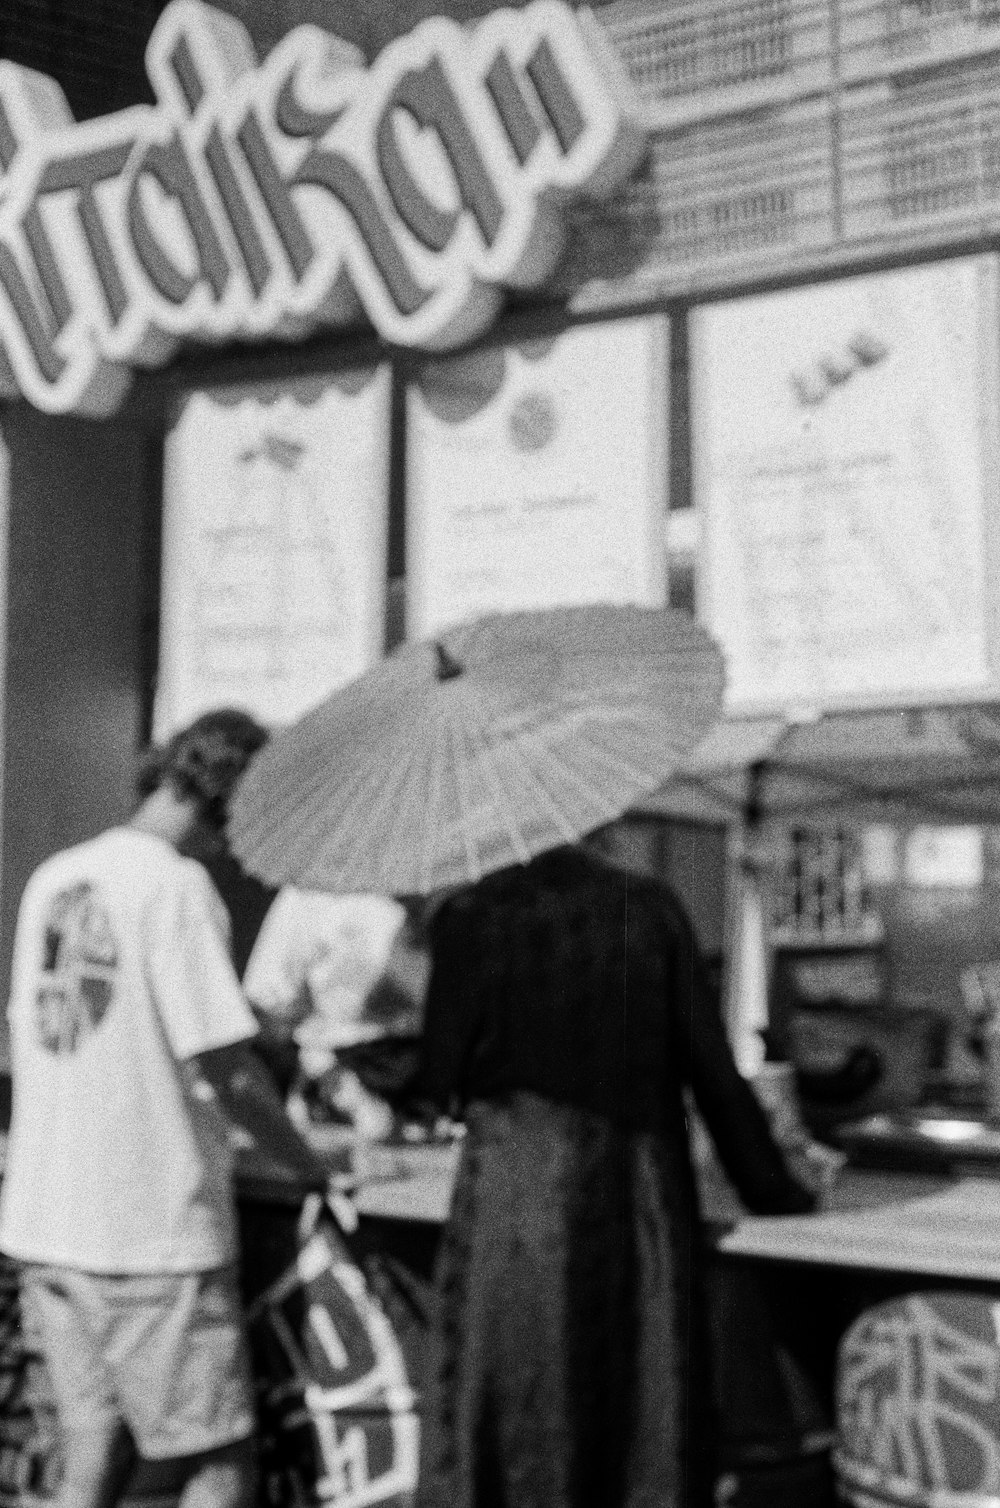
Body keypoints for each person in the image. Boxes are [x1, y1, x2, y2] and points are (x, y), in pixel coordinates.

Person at [414, 842, 817, 1508]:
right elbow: (713, 1074)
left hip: (512, 1209)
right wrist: (775, 1192)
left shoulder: (470, 916)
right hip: (638, 1201)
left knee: (513, 1411)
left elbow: (437, 1078)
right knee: (639, 1421)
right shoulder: (649, 905)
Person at [0, 709, 328, 1508]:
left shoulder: (57, 876)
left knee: (91, 1457)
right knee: (215, 1463)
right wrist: (312, 1162)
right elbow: (225, 1065)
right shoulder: (176, 888)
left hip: (47, 1223)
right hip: (148, 1235)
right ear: (228, 796)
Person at [243, 885, 430, 1137]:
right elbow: (270, 997)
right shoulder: (307, 895)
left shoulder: (432, 887)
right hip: (342, 1077)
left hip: (429, 1077)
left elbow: (270, 996)